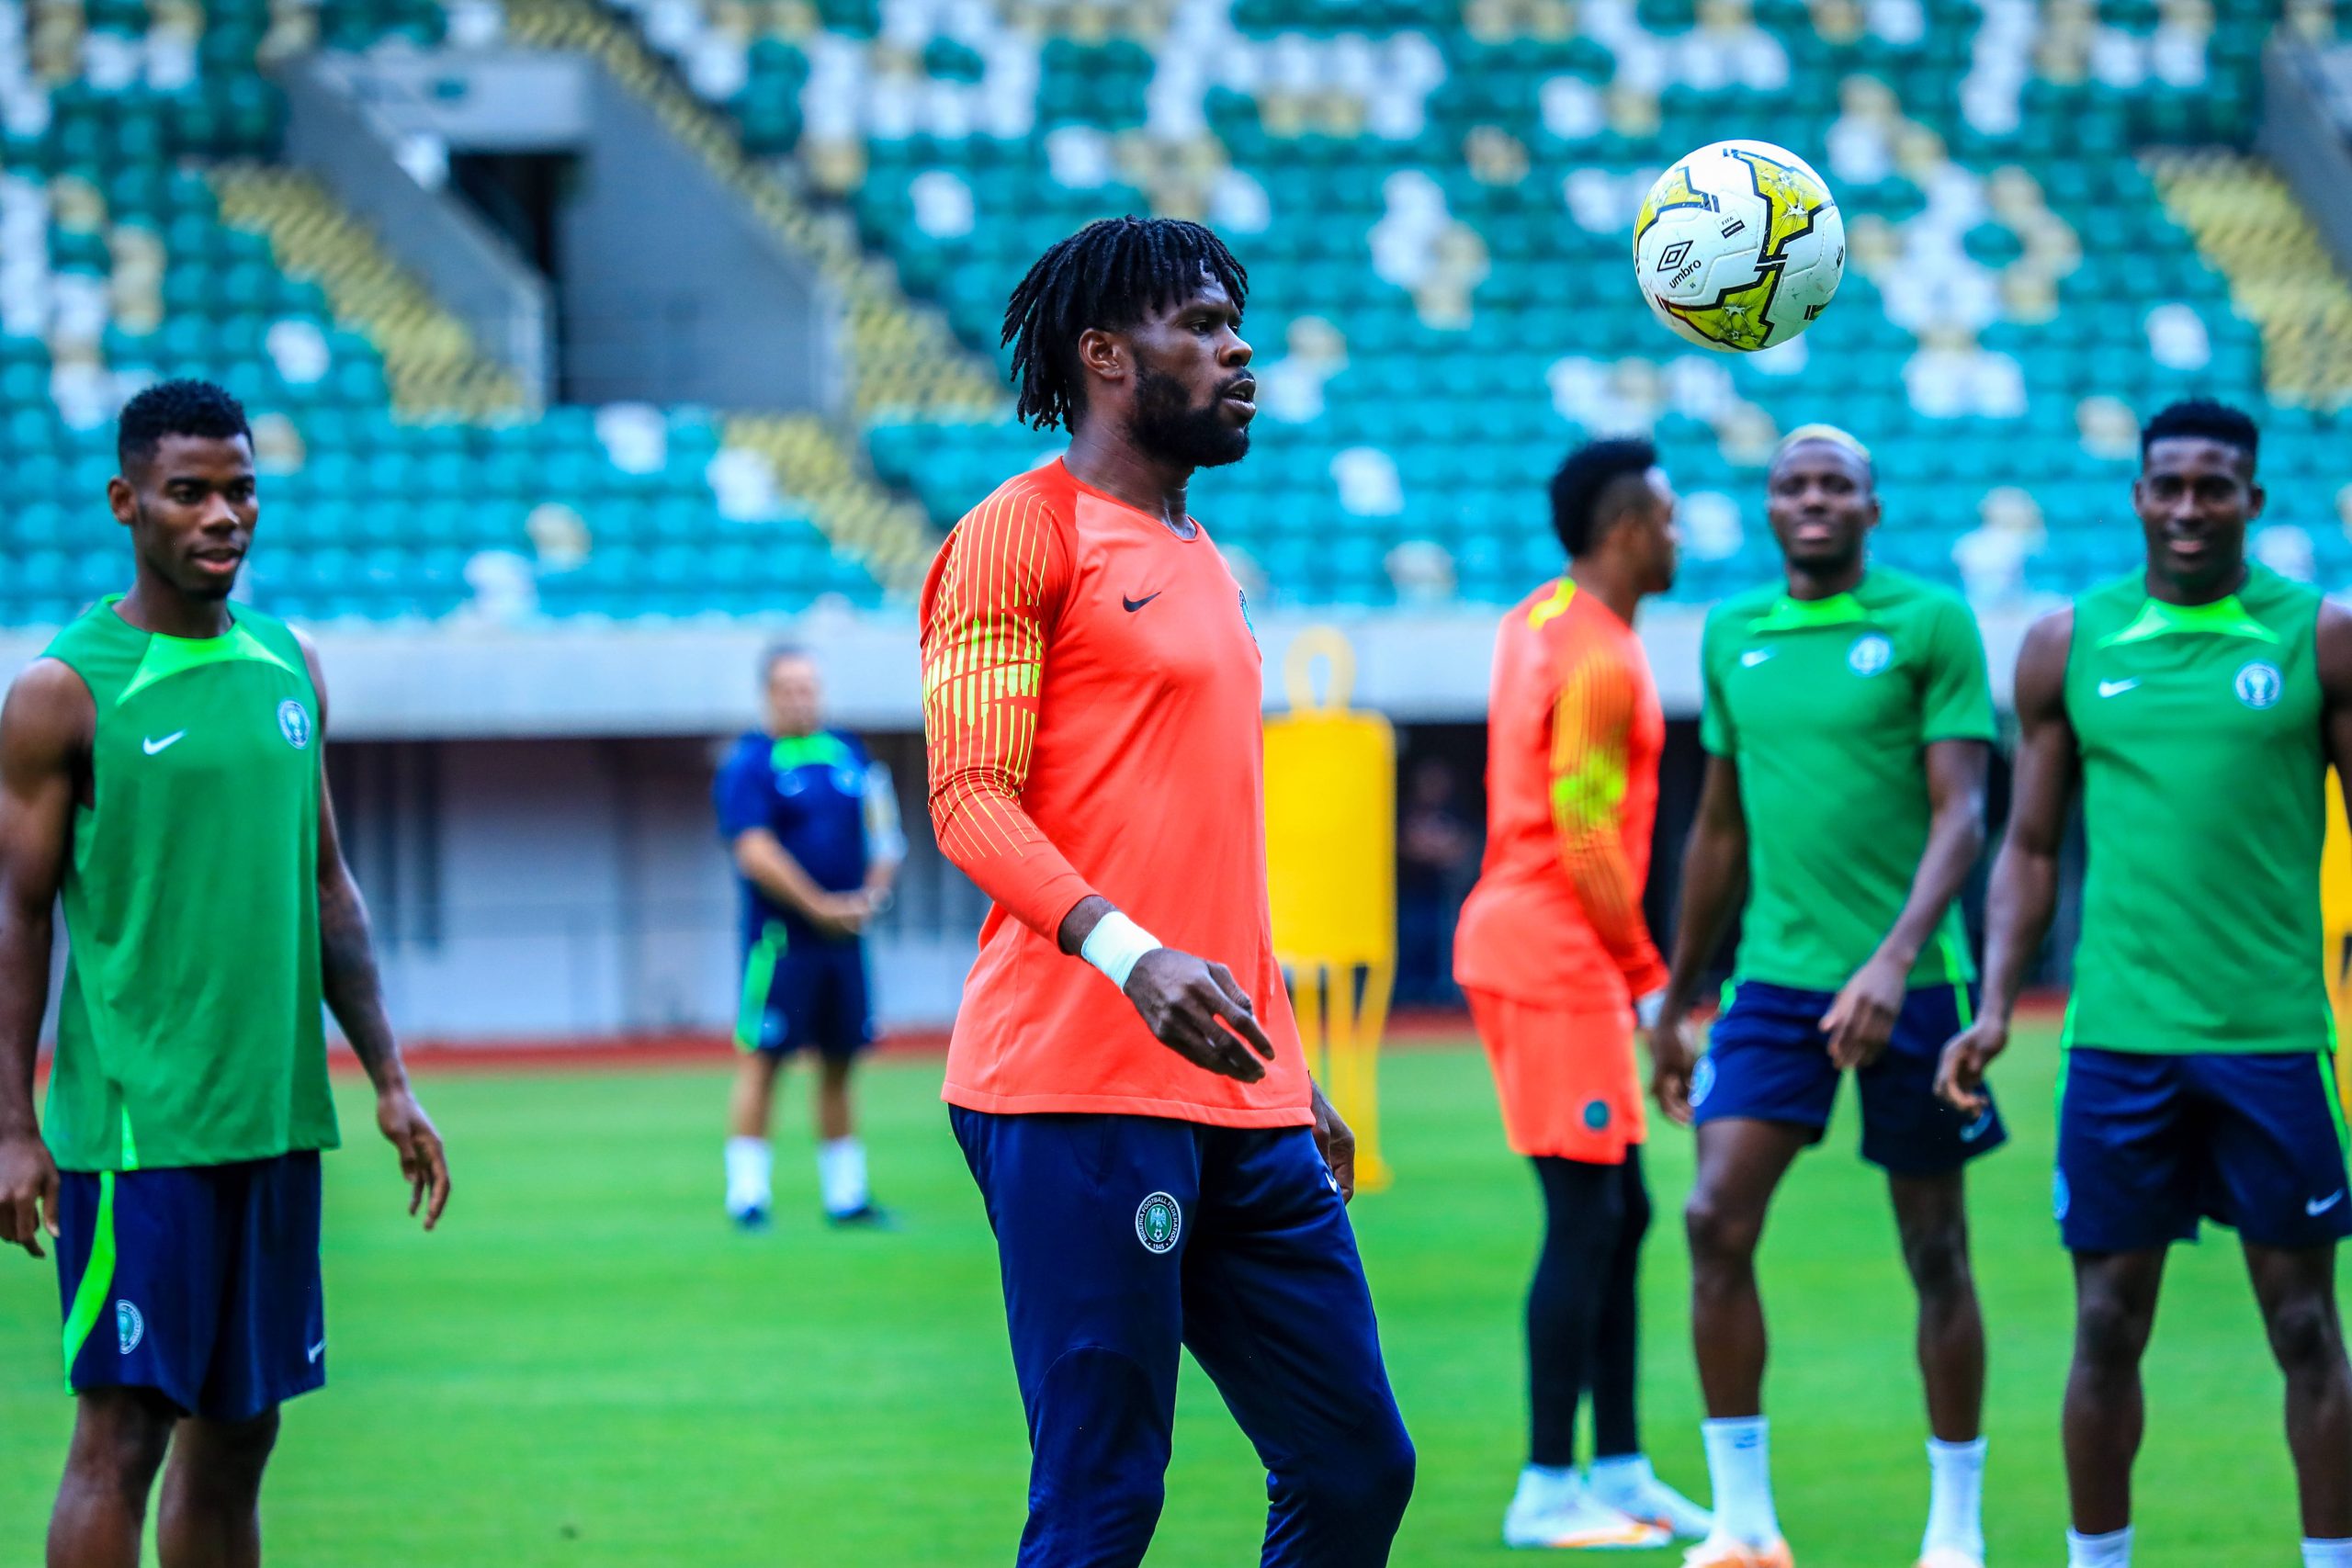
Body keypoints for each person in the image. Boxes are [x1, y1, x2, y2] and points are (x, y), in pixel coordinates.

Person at [917, 215, 1415, 1567]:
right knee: (1102, 1498)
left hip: (1233, 1085)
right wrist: (1131, 953)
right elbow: (968, 798)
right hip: (1071, 1082)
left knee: (1357, 1464)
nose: (1238, 346)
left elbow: (1208, 848)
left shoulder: (1206, 565)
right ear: (1105, 355)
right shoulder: (1017, 538)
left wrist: (1287, 1066)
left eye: (1234, 321)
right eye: (1201, 323)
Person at [0, 378, 451, 1568]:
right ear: (125, 500)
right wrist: (9, 1124)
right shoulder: (64, 689)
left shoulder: (286, 660)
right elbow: (18, 913)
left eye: (240, 488)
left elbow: (327, 886)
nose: (221, 514)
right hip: (139, 1134)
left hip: (272, 1119)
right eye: (188, 490)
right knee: (123, 1432)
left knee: (242, 1432)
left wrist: (390, 1078)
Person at [1939, 399, 2352, 1568]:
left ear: (2251, 501)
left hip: (2269, 1038)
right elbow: (2024, 850)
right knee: (2106, 1325)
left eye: (2212, 486)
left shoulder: (2318, 639)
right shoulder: (2067, 647)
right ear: (2136, 496)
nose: (2186, 507)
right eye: (2165, 485)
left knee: (2305, 1327)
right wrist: (1991, 1006)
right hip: (2117, 1042)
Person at [1651, 425, 2000, 1568]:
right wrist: (1674, 994)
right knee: (1711, 1220)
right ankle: (1744, 1524)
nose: (1813, 500)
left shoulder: (1928, 623)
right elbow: (1718, 826)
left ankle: (1955, 1529)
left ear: (1871, 506)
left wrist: (1893, 961)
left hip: (1919, 983)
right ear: (1766, 507)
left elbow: (1962, 815)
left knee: (1935, 1250)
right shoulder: (1731, 631)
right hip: (1773, 981)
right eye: (1792, 484)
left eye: (1836, 485)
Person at [1454, 436, 1713, 1551]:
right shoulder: (1603, 658)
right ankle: (1545, 1486)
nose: (1677, 533)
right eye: (1664, 515)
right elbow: (1590, 836)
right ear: (1621, 530)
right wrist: (1652, 986)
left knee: (1622, 1212)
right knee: (1586, 1217)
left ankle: (1616, 1468)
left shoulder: (1535, 620)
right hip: (1554, 954)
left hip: (1531, 942)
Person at [713, 644, 904, 1229]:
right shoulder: (751, 762)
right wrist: (817, 904)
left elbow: (884, 831)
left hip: (844, 940)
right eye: (790, 687)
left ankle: (846, 1195)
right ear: (768, 693)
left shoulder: (849, 752)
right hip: (781, 941)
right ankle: (748, 1195)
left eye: (810, 686)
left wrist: (869, 894)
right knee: (763, 1060)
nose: (803, 697)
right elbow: (754, 850)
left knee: (841, 1061)